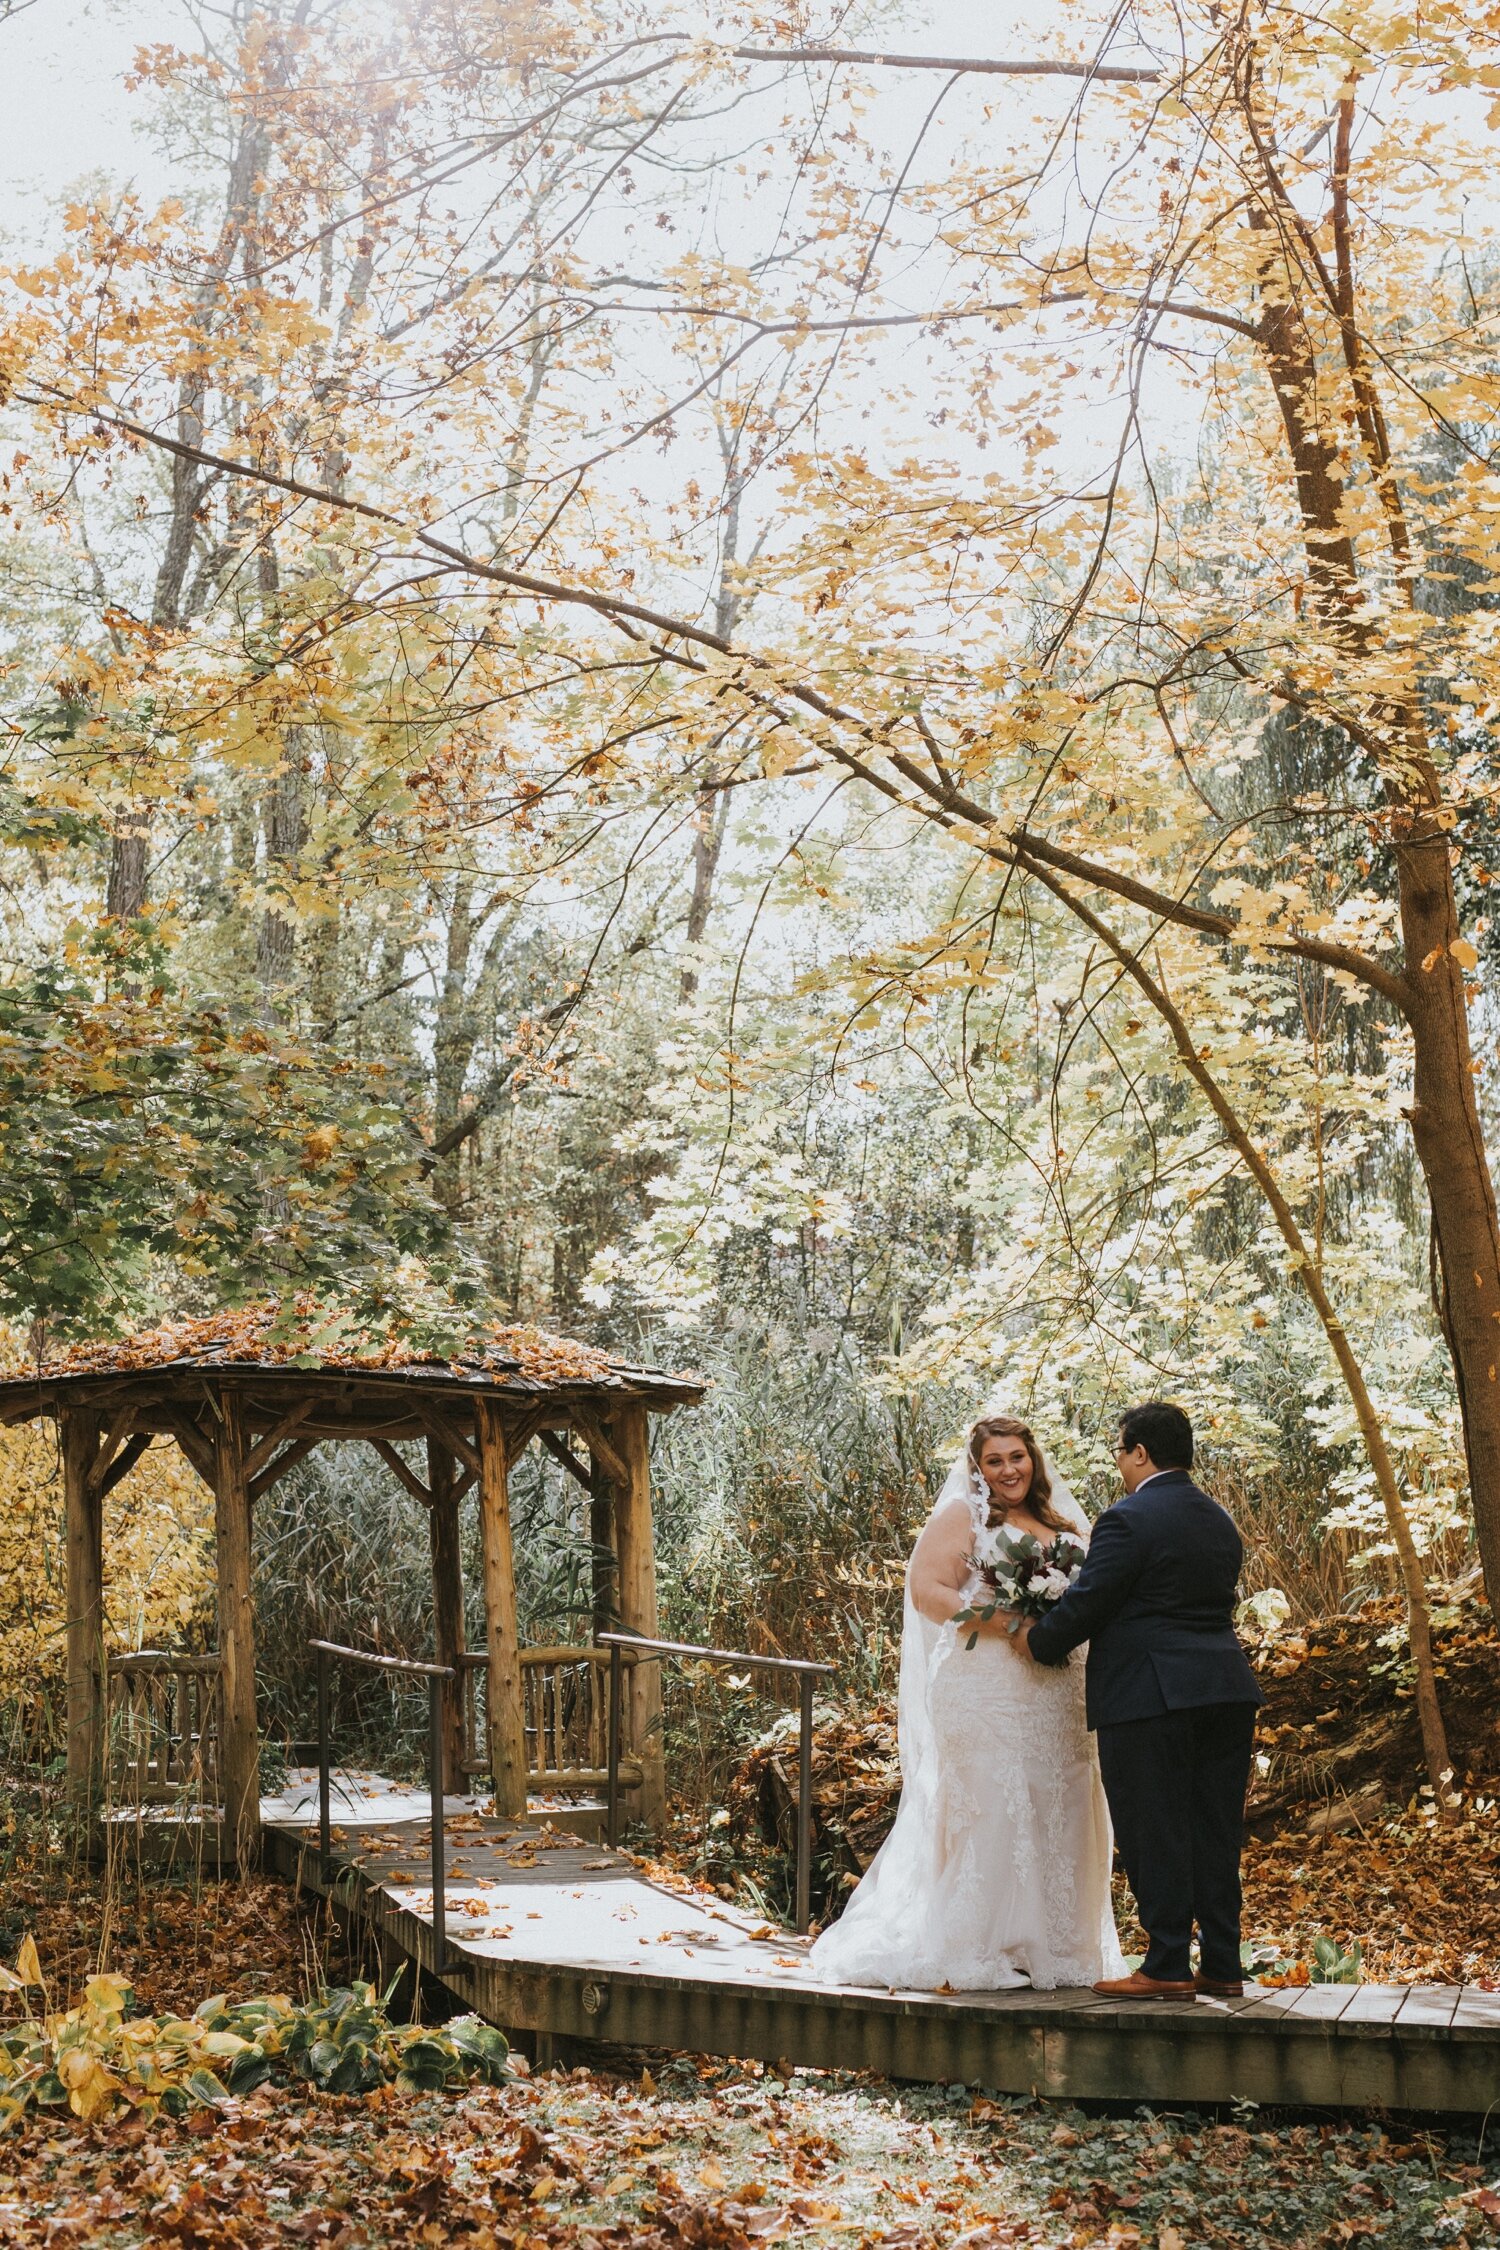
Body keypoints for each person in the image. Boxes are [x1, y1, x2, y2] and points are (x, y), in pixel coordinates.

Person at [810, 1414, 1124, 1992]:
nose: (1009, 1470)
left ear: (1035, 1458)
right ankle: (981, 1944)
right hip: (986, 1682)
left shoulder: (1063, 1521)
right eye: (995, 1461)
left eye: (1018, 1457)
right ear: (977, 1470)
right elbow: (927, 1590)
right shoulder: (965, 1517)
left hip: (1059, 1684)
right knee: (995, 1799)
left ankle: (1057, 1948)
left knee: (1062, 1797)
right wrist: (1002, 1618)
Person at [1018, 1401, 1263, 1999]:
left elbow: (1093, 1601)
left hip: (1150, 1695)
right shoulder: (1218, 1519)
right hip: (1225, 1689)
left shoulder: (1127, 1519)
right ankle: (1224, 1967)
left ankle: (1167, 1966)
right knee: (1214, 1826)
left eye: (1122, 1452)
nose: (1121, 1465)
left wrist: (1039, 1640)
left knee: (1155, 1827)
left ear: (1140, 1452)